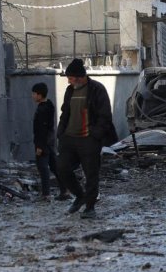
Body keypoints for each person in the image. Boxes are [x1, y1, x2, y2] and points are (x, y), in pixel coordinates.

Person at [57, 58, 118, 219]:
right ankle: (79, 195)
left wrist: (95, 134)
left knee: (91, 174)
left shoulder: (97, 89)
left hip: (88, 139)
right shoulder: (70, 91)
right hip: (69, 139)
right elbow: (65, 113)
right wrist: (61, 133)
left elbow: (105, 116)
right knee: (61, 167)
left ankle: (90, 207)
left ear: (79, 76)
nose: (69, 81)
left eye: (70, 78)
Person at [31, 83, 69, 200]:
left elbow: (42, 129)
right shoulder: (49, 105)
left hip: (44, 143)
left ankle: (46, 194)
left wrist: (39, 146)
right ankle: (64, 191)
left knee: (43, 168)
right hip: (50, 142)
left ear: (39, 95)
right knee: (55, 167)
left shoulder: (43, 109)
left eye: (34, 94)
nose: (32, 96)